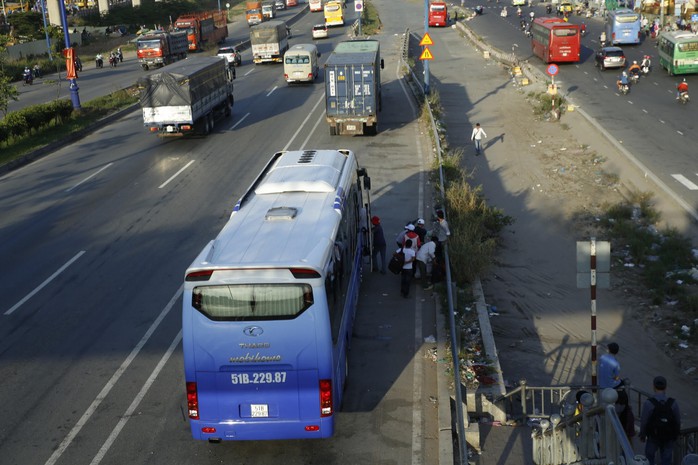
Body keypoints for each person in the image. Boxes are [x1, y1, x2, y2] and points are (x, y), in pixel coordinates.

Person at [640, 376, 681, 465]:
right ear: (665, 387)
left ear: (654, 387)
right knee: (667, 459)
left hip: (653, 436)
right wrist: (676, 434)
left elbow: (644, 421)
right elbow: (677, 421)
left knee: (649, 456)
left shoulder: (649, 403)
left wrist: (642, 434)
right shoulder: (673, 403)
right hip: (668, 436)